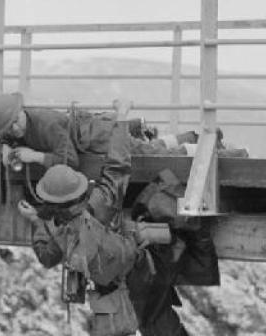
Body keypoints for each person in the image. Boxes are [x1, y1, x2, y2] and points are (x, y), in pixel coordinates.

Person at [17, 117, 197, 336]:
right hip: (140, 273)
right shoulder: (100, 202)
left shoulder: (59, 230)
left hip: (110, 296)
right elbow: (118, 165)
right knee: (162, 326)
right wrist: (121, 122)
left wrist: (37, 222)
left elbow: (46, 257)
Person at [0, 92, 201, 170]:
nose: (15, 129)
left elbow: (70, 161)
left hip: (98, 136)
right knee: (147, 147)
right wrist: (6, 148)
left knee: (147, 154)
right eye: (9, 128)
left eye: (15, 121)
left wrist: (35, 156)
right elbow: (6, 136)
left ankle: (196, 147)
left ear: (21, 110)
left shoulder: (47, 124)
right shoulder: (17, 128)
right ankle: (189, 138)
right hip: (87, 132)